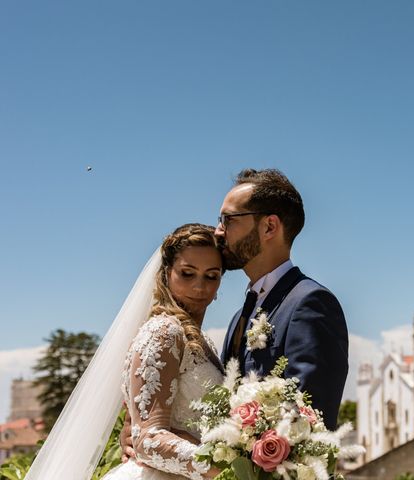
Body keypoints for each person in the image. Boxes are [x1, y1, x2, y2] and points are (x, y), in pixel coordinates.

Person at [25, 223, 225, 480]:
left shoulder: (201, 340)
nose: (200, 286)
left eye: (211, 276)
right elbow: (147, 440)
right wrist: (225, 467)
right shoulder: (164, 332)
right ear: (166, 273)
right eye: (187, 273)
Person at [215, 169, 349, 430]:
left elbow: (309, 423)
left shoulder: (310, 304)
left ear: (269, 227)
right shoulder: (239, 316)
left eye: (227, 219)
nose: (218, 232)